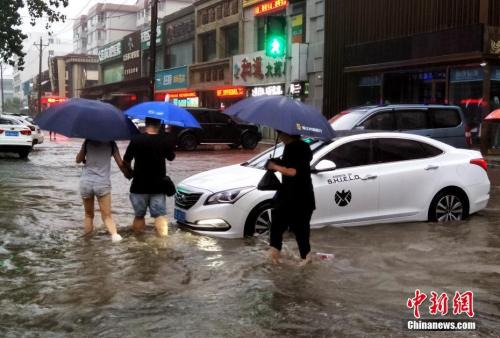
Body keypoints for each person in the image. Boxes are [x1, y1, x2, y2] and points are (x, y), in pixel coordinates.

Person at [266, 130, 316, 266]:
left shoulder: (298, 147)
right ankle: (277, 257)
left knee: (296, 229)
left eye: (280, 133)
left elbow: (293, 171)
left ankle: (302, 260)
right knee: (286, 227)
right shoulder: (295, 147)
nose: (279, 136)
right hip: (293, 197)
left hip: (298, 198)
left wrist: (274, 166)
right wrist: (278, 163)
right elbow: (291, 165)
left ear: (288, 134)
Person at [123, 117, 176, 237]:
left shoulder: (136, 139)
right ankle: (163, 243)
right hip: (158, 186)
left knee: (139, 216)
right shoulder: (164, 140)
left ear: (146, 124)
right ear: (159, 124)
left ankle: (139, 241)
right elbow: (171, 157)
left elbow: (126, 160)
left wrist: (131, 171)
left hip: (138, 185)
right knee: (159, 216)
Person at [76, 140, 126, 242]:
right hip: (102, 183)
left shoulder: (88, 141)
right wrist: (129, 174)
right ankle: (115, 236)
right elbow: (120, 163)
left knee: (88, 215)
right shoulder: (111, 143)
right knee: (107, 216)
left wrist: (85, 158)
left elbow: (78, 159)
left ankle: (87, 242)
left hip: (86, 182)